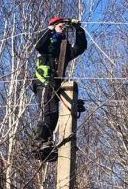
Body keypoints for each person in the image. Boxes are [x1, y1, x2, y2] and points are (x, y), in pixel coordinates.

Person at [31, 16, 87, 161]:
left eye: (64, 28)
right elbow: (38, 45)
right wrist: (50, 30)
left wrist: (78, 30)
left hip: (55, 83)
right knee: (48, 111)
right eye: (60, 26)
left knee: (54, 114)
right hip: (43, 80)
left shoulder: (64, 48)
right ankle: (39, 142)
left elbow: (80, 48)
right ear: (53, 26)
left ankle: (46, 143)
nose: (63, 29)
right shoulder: (46, 42)